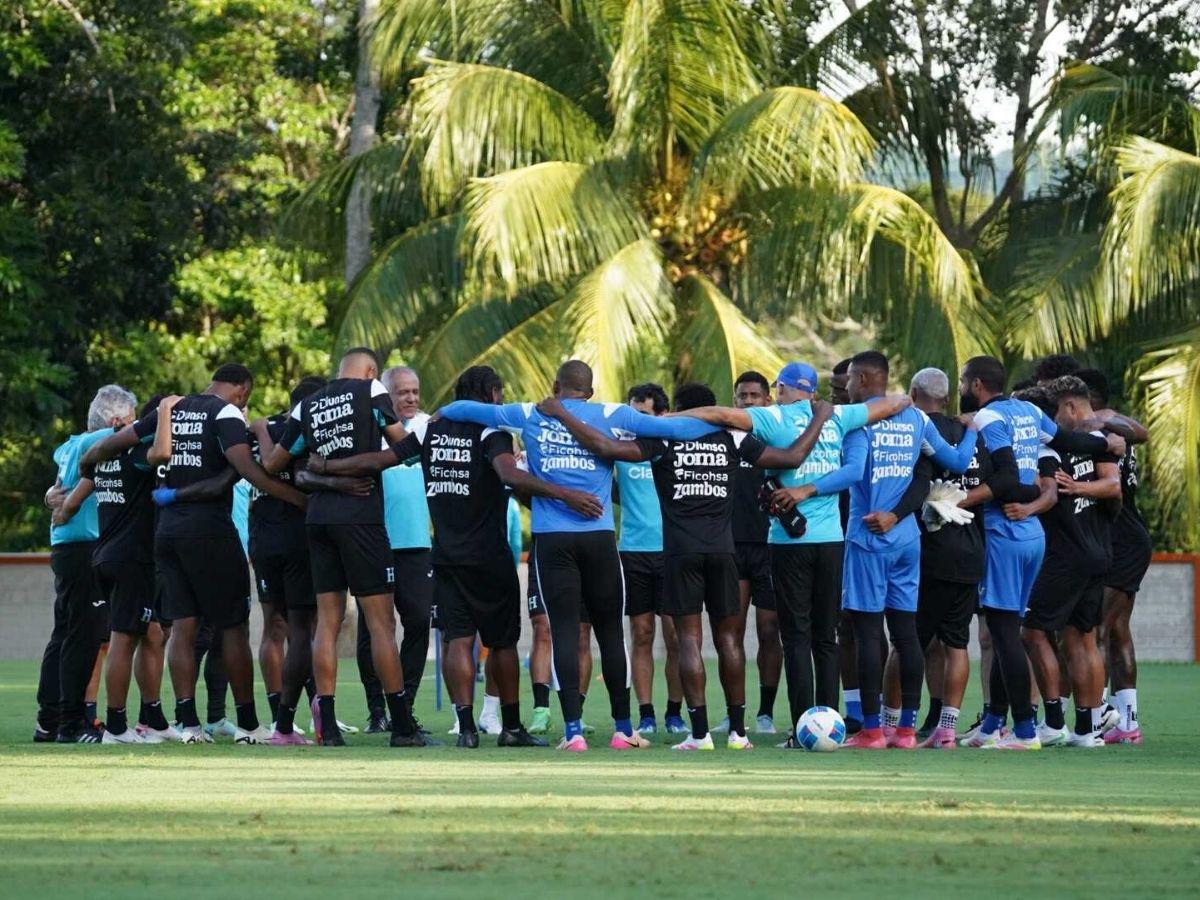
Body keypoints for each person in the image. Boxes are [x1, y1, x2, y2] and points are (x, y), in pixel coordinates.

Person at [436, 360, 719, 751]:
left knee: (566, 633)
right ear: (590, 390)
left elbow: (469, 409)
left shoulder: (529, 413)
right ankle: (623, 730)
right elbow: (676, 429)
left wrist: (442, 411)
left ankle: (573, 733)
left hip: (553, 540)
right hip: (598, 538)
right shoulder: (613, 414)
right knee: (610, 633)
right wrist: (723, 422)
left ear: (556, 386)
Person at [313, 365, 600, 747]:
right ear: (492, 394)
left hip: (445, 555)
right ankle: (511, 728)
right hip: (488, 556)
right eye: (499, 395)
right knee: (502, 643)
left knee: (458, 640)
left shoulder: (430, 430)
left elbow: (382, 459)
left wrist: (328, 467)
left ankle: (466, 730)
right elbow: (509, 476)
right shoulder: (491, 431)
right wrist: (566, 495)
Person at [539, 382, 835, 750]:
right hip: (724, 552)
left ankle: (699, 735)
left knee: (689, 640)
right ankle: (739, 734)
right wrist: (820, 418)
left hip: (680, 553)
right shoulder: (733, 437)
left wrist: (563, 415)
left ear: (679, 411)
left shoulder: (665, 438)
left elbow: (606, 448)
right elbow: (792, 458)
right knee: (730, 640)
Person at [678, 362, 910, 743]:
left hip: (789, 544)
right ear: (812, 390)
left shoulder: (774, 417)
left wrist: (673, 417)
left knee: (797, 638)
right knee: (826, 638)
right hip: (830, 540)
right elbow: (894, 403)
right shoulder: (838, 416)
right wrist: (907, 400)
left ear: (783, 389)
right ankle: (830, 727)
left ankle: (803, 728)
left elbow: (721, 415)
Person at [81, 365, 305, 744]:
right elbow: (249, 469)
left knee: (183, 627)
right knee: (232, 626)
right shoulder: (226, 412)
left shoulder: (171, 409)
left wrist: (87, 460)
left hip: (166, 533)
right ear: (242, 392)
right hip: (209, 531)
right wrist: (298, 499)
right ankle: (248, 725)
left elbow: (115, 443)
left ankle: (189, 725)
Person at [957, 355, 1125, 750]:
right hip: (1034, 537)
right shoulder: (1030, 412)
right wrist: (1105, 443)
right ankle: (992, 724)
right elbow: (1066, 441)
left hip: (1006, 531)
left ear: (976, 384)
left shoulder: (989, 417)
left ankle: (1026, 730)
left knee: (1006, 634)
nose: (961, 388)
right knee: (1010, 632)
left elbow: (1006, 480)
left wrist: (960, 500)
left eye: (963, 381)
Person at [262, 348, 427, 747]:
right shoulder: (371, 390)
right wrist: (353, 466)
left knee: (327, 624)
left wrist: (327, 466)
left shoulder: (307, 405)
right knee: (382, 624)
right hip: (360, 517)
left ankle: (330, 728)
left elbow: (275, 464)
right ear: (371, 371)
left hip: (318, 520)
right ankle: (402, 726)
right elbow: (405, 448)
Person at [827, 352, 978, 750]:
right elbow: (957, 462)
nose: (847, 387)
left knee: (866, 632)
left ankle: (872, 730)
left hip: (868, 536)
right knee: (906, 633)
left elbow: (852, 472)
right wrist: (971, 430)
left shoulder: (859, 422)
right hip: (907, 538)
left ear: (862, 379)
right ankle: (907, 731)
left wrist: (807, 489)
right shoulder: (916, 419)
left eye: (849, 380)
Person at [52, 391, 180, 744]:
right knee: (123, 640)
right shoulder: (136, 456)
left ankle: (152, 719)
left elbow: (71, 502)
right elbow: (162, 453)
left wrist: (57, 507)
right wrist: (166, 412)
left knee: (151, 633)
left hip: (105, 555)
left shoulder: (103, 459)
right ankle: (117, 727)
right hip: (131, 558)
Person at [1017, 378, 1121, 748]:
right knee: (1082, 638)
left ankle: (1054, 722)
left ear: (1070, 407)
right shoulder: (1099, 442)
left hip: (1067, 554)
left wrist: (1074, 488)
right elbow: (1113, 489)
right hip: (1097, 550)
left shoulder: (1049, 447)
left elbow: (1046, 490)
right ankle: (1087, 730)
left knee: (1031, 631)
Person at [899, 368, 992, 749]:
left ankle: (895, 725)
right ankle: (946, 729)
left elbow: (910, 485)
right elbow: (996, 482)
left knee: (907, 641)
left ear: (912, 393)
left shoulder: (915, 432)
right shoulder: (975, 435)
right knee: (956, 643)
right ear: (948, 397)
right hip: (970, 550)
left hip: (928, 552)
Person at [247, 375, 341, 745]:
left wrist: (259, 428)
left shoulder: (262, 430)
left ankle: (279, 716)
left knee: (273, 627)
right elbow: (292, 473)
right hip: (298, 541)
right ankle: (295, 718)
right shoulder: (310, 430)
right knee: (306, 628)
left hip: (262, 542)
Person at [36, 387, 130, 742]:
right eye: (129, 421)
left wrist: (49, 496)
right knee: (83, 637)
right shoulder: (100, 439)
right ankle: (72, 723)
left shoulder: (70, 444)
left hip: (66, 547)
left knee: (63, 634)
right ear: (116, 421)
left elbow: (57, 487)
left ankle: (49, 720)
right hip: (84, 547)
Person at [353, 365, 436, 734]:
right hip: (374, 542)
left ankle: (406, 706)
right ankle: (376, 711)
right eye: (403, 392)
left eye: (415, 391)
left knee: (418, 621)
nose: (411, 398)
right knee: (373, 629)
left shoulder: (429, 427)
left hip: (417, 544)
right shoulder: (368, 429)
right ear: (386, 395)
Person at [1074, 368, 1150, 744]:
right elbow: (1141, 432)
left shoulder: (1103, 428)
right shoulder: (1115, 429)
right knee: (1117, 630)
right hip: (1130, 537)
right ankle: (1128, 724)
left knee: (1097, 630)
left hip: (1121, 540)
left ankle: (1101, 715)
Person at [613, 383, 685, 736]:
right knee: (641, 635)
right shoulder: (621, 447)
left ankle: (675, 713)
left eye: (642, 414)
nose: (635, 421)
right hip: (633, 551)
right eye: (631, 413)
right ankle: (646, 714)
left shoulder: (675, 445)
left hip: (673, 551)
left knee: (676, 638)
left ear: (661, 415)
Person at [727, 371, 782, 734]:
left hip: (771, 546)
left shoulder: (777, 438)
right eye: (741, 396)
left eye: (754, 395)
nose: (747, 401)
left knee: (769, 630)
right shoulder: (723, 438)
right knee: (730, 631)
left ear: (767, 400)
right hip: (731, 547)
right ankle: (734, 714)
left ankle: (765, 713)